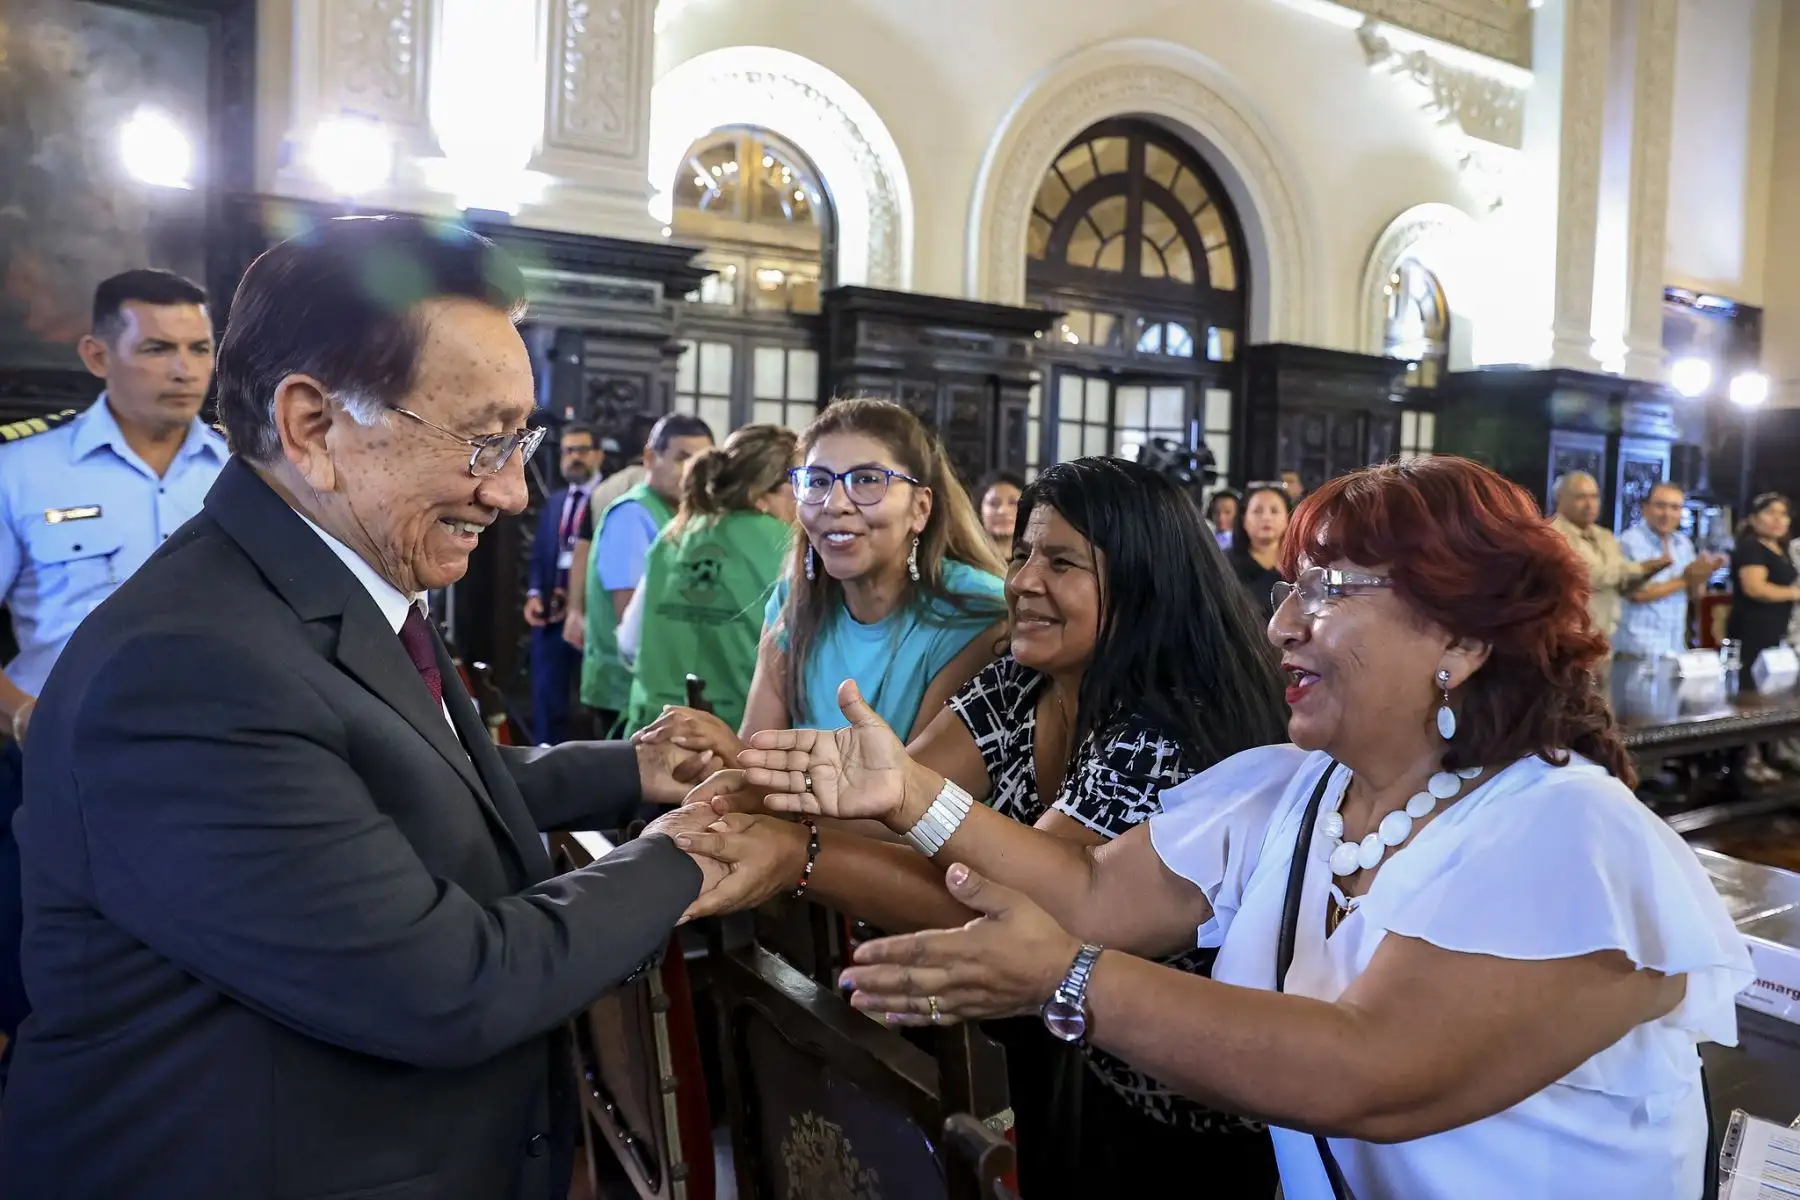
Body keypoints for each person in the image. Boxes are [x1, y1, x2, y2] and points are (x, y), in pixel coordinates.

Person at [730, 455, 1752, 1200]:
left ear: (1464, 634)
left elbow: (1367, 1070)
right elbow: (1088, 894)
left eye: (1330, 591)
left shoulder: (1565, 831)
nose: (1282, 623)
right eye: (1291, 586)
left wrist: (1066, 977)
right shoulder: (1289, 788)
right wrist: (912, 797)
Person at [0, 217, 766, 1199]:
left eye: (518, 439)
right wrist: (693, 852)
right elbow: (448, 987)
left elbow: (395, 770)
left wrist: (633, 768)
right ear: (314, 426)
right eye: (484, 440)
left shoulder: (325, 580)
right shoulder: (187, 670)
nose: (512, 490)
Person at [660, 457, 1289, 1197]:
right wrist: (760, 785)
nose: (1022, 581)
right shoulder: (1021, 682)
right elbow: (897, 802)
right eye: (1023, 554)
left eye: (1061, 562)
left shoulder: (1165, 730)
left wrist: (799, 853)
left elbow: (1025, 906)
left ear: (1145, 583)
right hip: (1066, 1054)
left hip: (1172, 1110)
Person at [0, 268, 226, 1072]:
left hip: (217, 770)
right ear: (98, 354)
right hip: (56, 769)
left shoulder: (247, 473)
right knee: (50, 1000)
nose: (184, 369)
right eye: (158, 348)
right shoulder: (24, 471)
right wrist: (21, 710)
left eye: (200, 348)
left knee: (194, 1005)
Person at [623, 424, 798, 734]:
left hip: (652, 736)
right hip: (738, 746)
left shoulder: (673, 534)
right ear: (761, 494)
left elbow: (628, 641)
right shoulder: (789, 546)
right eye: (800, 482)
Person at [579, 413, 714, 731]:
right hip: (624, 691)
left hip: (655, 689)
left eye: (702, 460)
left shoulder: (679, 513)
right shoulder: (632, 514)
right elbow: (631, 622)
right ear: (651, 458)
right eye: (682, 458)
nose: (693, 471)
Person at [524, 423, 600, 743]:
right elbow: (540, 554)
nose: (574, 457)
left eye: (582, 450)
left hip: (593, 618)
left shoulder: (609, 498)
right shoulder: (555, 502)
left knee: (593, 705)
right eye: (568, 451)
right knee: (547, 700)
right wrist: (532, 595)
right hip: (551, 618)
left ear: (598, 455)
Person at [1550, 471, 1667, 642]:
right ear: (1560, 498)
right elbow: (1589, 576)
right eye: (1581, 497)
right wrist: (1640, 568)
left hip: (1605, 639)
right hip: (1568, 641)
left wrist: (1648, 572)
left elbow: (1622, 585)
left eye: (1594, 497)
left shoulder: (1605, 536)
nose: (1590, 504)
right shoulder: (1552, 535)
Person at [1614, 482, 1724, 659]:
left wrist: (1703, 573)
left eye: (1675, 507)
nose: (1667, 514)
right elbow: (1636, 594)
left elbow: (1695, 595)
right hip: (1637, 650)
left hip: (1674, 647)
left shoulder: (1683, 543)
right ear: (1645, 508)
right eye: (1660, 506)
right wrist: (1685, 580)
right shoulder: (1629, 542)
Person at [1228, 482, 1291, 620]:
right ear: (1244, 519)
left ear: (1287, 518)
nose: (1266, 517)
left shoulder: (1298, 564)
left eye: (1274, 511)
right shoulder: (1225, 563)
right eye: (1257, 511)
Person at [976, 468, 1024, 559]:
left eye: (1013, 502)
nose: (1003, 511)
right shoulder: (965, 566)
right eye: (993, 503)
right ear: (979, 510)